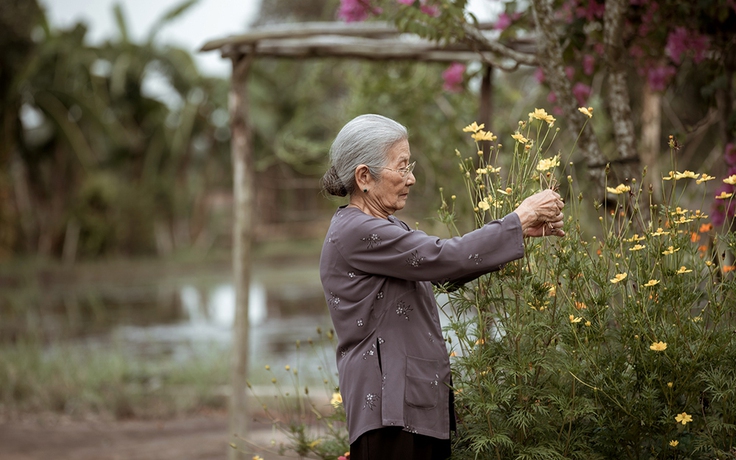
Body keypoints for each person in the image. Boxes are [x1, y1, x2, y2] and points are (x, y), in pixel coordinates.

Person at [319, 114, 565, 460]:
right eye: (402, 167)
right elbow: (441, 257)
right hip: (390, 412)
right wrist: (517, 220)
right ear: (364, 177)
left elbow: (441, 273)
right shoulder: (356, 230)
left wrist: (519, 232)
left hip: (410, 405)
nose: (411, 178)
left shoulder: (385, 225)